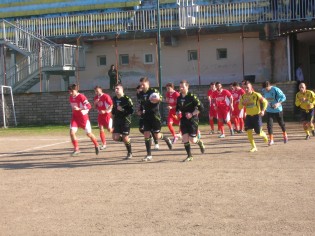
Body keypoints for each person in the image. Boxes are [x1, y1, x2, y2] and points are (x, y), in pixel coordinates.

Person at [138, 77, 172, 161]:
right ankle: (149, 155)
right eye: (141, 84)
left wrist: (158, 99)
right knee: (146, 134)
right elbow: (141, 104)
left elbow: (162, 99)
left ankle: (166, 138)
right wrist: (140, 110)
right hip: (146, 116)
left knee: (157, 135)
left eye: (143, 84)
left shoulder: (153, 91)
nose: (142, 86)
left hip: (155, 115)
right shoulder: (140, 94)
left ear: (147, 84)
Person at [176, 80, 205, 162]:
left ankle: (199, 142)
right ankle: (189, 156)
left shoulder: (192, 97)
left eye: (183, 87)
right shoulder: (179, 98)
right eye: (180, 87)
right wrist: (178, 112)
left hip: (193, 120)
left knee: (192, 140)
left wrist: (192, 114)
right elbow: (177, 108)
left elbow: (201, 108)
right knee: (185, 138)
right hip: (184, 120)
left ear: (187, 87)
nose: (181, 88)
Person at [68, 84, 100, 156]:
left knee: (89, 134)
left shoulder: (81, 96)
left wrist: (79, 109)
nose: (70, 93)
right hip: (75, 117)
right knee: (72, 132)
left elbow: (89, 106)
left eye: (71, 91)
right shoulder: (70, 97)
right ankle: (76, 149)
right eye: (69, 91)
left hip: (83, 118)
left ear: (76, 90)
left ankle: (96, 144)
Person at [239, 81, 268, 152]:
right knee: (248, 131)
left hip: (257, 116)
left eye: (247, 88)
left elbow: (265, 102)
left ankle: (264, 135)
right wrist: (243, 103)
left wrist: (263, 110)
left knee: (258, 132)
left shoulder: (256, 95)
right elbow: (239, 107)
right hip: (248, 116)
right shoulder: (243, 97)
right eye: (244, 88)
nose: (246, 89)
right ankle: (253, 147)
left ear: (251, 87)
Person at [111, 84, 134, 159]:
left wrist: (123, 110)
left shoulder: (127, 99)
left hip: (125, 120)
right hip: (117, 120)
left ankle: (129, 153)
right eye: (115, 89)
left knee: (125, 137)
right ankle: (127, 141)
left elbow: (131, 111)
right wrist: (112, 116)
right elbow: (114, 110)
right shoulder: (114, 99)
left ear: (122, 89)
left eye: (118, 89)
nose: (116, 90)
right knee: (115, 138)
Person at [136, 85, 159, 149]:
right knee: (141, 129)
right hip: (143, 114)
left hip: (149, 114)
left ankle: (156, 143)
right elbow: (140, 104)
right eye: (137, 90)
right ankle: (150, 137)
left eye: (139, 89)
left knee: (152, 130)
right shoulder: (139, 95)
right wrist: (139, 110)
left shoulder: (149, 94)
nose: (138, 91)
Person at [93, 86, 113, 150]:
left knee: (109, 129)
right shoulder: (96, 97)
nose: (97, 92)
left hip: (107, 114)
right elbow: (95, 107)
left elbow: (111, 105)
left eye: (98, 91)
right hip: (100, 115)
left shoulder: (106, 96)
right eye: (95, 91)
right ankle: (104, 144)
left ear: (101, 90)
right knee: (101, 129)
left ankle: (119, 133)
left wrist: (105, 111)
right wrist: (95, 102)